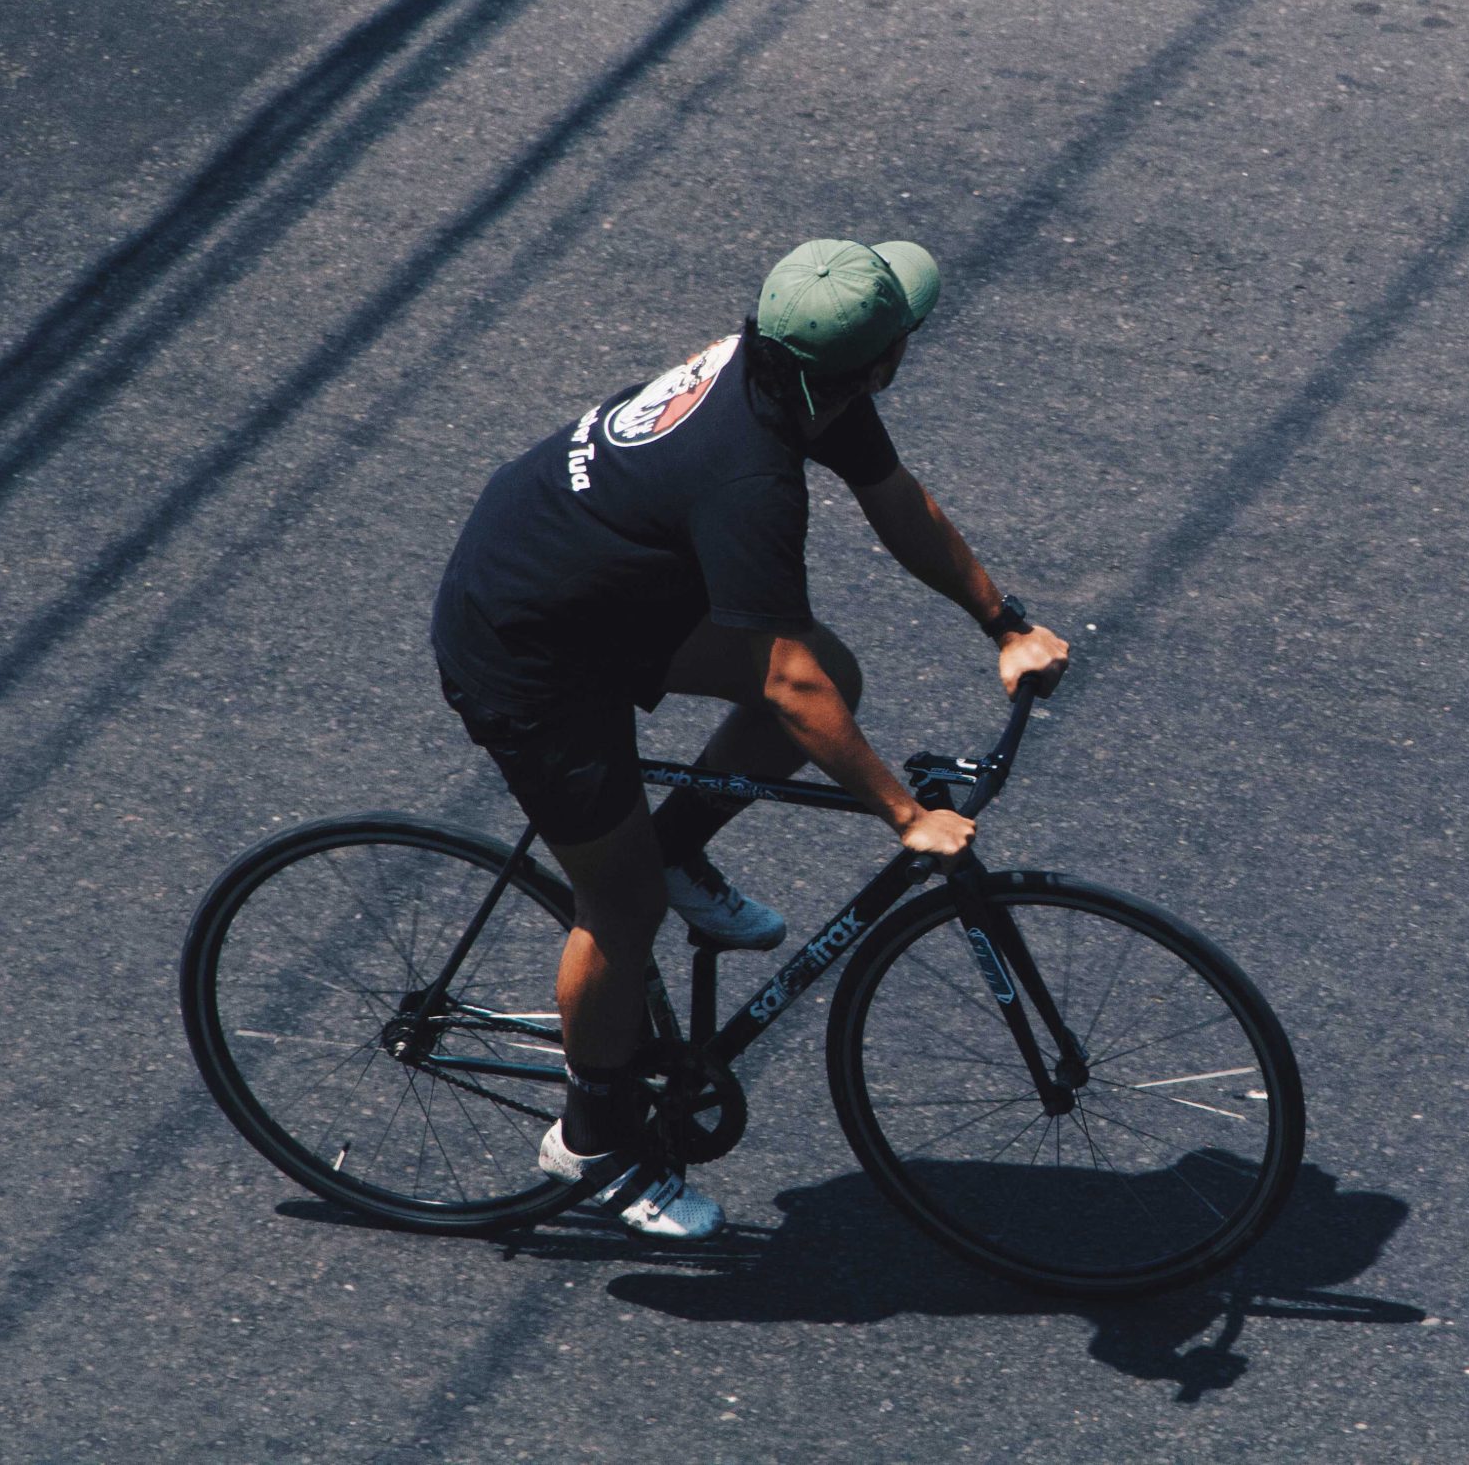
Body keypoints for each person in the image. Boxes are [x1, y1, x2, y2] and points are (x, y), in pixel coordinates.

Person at [429, 237, 1070, 1238]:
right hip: (527, 647)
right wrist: (905, 818)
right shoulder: (750, 477)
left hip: (596, 586)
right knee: (620, 899)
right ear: (871, 363)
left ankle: (679, 847)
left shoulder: (791, 374)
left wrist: (1006, 624)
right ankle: (591, 1143)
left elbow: (897, 501)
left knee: (830, 676)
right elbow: (788, 682)